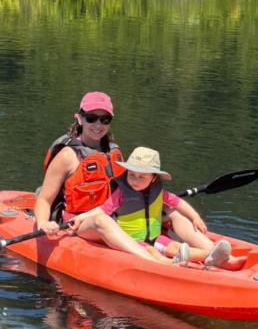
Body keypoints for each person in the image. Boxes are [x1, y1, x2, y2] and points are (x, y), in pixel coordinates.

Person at [34, 91, 162, 262]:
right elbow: (44, 199)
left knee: (172, 211)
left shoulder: (114, 151)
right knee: (101, 220)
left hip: (113, 215)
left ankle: (207, 253)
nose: (98, 125)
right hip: (78, 223)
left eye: (105, 119)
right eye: (91, 118)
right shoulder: (67, 156)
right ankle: (152, 261)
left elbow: (127, 190)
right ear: (79, 118)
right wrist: (43, 223)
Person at [69, 146, 246, 270]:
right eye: (132, 175)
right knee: (153, 252)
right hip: (133, 240)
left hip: (154, 237)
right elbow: (102, 210)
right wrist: (81, 217)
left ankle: (216, 257)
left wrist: (195, 217)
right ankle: (173, 264)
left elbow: (178, 202)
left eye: (141, 177)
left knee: (175, 247)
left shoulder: (158, 191)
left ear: (153, 178)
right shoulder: (121, 193)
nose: (135, 181)